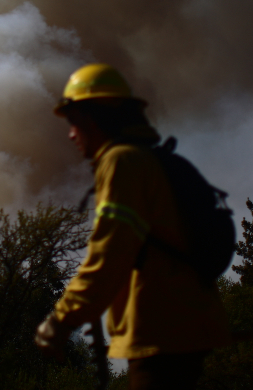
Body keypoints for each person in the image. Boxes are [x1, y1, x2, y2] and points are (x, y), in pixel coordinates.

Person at [35, 63, 230, 389]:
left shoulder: (122, 162)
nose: (70, 133)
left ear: (92, 117)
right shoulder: (145, 159)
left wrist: (62, 320)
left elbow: (109, 255)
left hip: (162, 335)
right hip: (182, 326)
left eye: (73, 121)